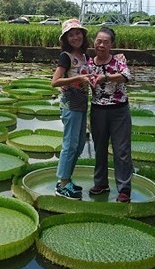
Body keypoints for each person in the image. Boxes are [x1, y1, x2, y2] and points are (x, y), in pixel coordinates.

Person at [88, 26, 133, 203]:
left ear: (112, 44)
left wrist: (105, 77)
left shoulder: (118, 61)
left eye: (106, 42)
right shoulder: (89, 63)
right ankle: (101, 183)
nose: (101, 45)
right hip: (98, 110)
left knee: (121, 150)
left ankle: (124, 189)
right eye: (99, 41)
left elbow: (126, 76)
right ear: (94, 42)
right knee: (99, 148)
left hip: (119, 110)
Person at [51, 18, 92, 200]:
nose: (75, 37)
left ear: (83, 35)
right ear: (66, 39)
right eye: (71, 35)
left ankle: (68, 179)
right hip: (70, 104)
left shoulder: (85, 57)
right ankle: (62, 184)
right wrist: (78, 80)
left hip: (82, 103)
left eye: (78, 33)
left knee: (80, 144)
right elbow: (55, 81)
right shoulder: (65, 57)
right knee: (70, 144)